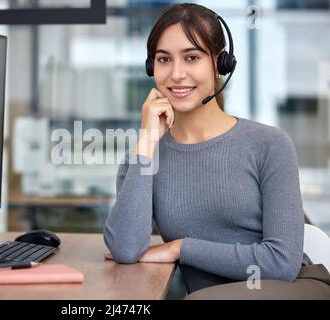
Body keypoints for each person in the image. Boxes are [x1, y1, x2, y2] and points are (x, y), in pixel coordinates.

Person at [103, 3, 330, 299]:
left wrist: (181, 248)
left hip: (292, 288)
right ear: (151, 68)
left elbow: (281, 263)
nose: (176, 74)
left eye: (192, 57)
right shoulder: (143, 160)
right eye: (163, 59)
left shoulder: (270, 145)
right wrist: (146, 142)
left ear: (220, 64)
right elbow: (125, 249)